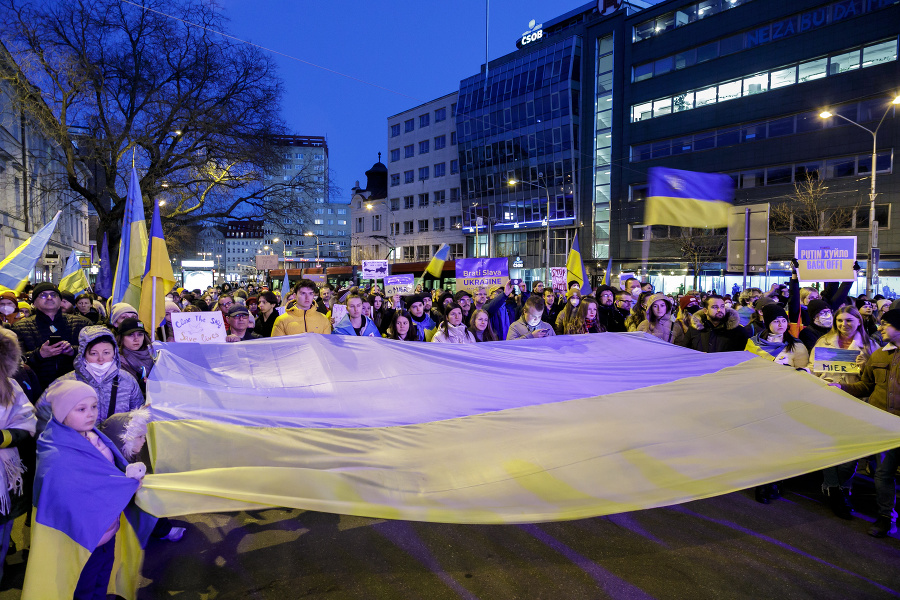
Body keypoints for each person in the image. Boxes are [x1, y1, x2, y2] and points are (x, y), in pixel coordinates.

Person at [24, 380, 151, 600]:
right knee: (84, 587)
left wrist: (125, 478)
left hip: (107, 529)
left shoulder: (94, 436)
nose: (90, 414)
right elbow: (66, 497)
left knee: (102, 577)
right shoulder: (56, 454)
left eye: (93, 406)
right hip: (84, 538)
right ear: (62, 413)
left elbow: (107, 474)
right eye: (81, 409)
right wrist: (121, 488)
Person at [833, 308, 900, 537]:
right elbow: (865, 386)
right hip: (883, 424)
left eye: (885, 324)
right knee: (883, 474)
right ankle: (885, 517)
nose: (879, 328)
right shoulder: (880, 355)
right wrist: (841, 387)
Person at [808, 305, 879, 519]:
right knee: (828, 446)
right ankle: (834, 488)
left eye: (849, 320)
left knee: (850, 450)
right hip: (828, 401)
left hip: (856, 402)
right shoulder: (823, 342)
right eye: (839, 320)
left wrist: (866, 365)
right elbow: (813, 369)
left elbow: (875, 379)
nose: (843, 324)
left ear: (859, 321)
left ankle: (842, 486)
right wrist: (822, 375)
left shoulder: (870, 345)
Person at [34, 326, 145, 432]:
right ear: (83, 354)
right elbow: (42, 419)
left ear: (115, 353)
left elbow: (139, 418)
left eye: (106, 353)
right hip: (77, 449)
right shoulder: (65, 383)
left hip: (117, 449)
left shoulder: (127, 381)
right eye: (93, 353)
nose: (101, 359)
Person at [0, 329, 37, 583]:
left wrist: (4, 437)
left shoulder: (10, 387)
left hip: (5, 473)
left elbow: (27, 421)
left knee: (2, 530)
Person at [11, 283, 92, 389]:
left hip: (75, 386)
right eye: (43, 295)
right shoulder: (20, 328)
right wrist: (39, 354)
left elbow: (93, 353)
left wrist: (73, 351)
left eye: (54, 295)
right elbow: (15, 361)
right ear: (34, 302)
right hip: (37, 386)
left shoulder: (82, 323)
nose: (49, 298)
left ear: (60, 301)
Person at [745, 304, 810, 368]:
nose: (781, 325)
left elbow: (802, 373)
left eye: (784, 321)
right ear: (767, 323)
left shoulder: (796, 345)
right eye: (776, 321)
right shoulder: (753, 343)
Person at [682, 295, 748, 353]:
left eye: (722, 306)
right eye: (715, 307)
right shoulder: (695, 329)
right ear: (705, 311)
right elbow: (684, 350)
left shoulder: (737, 330)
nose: (720, 310)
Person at [116, 319, 154, 397]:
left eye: (140, 334)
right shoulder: (117, 361)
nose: (136, 339)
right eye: (130, 334)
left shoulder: (154, 355)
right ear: (121, 337)